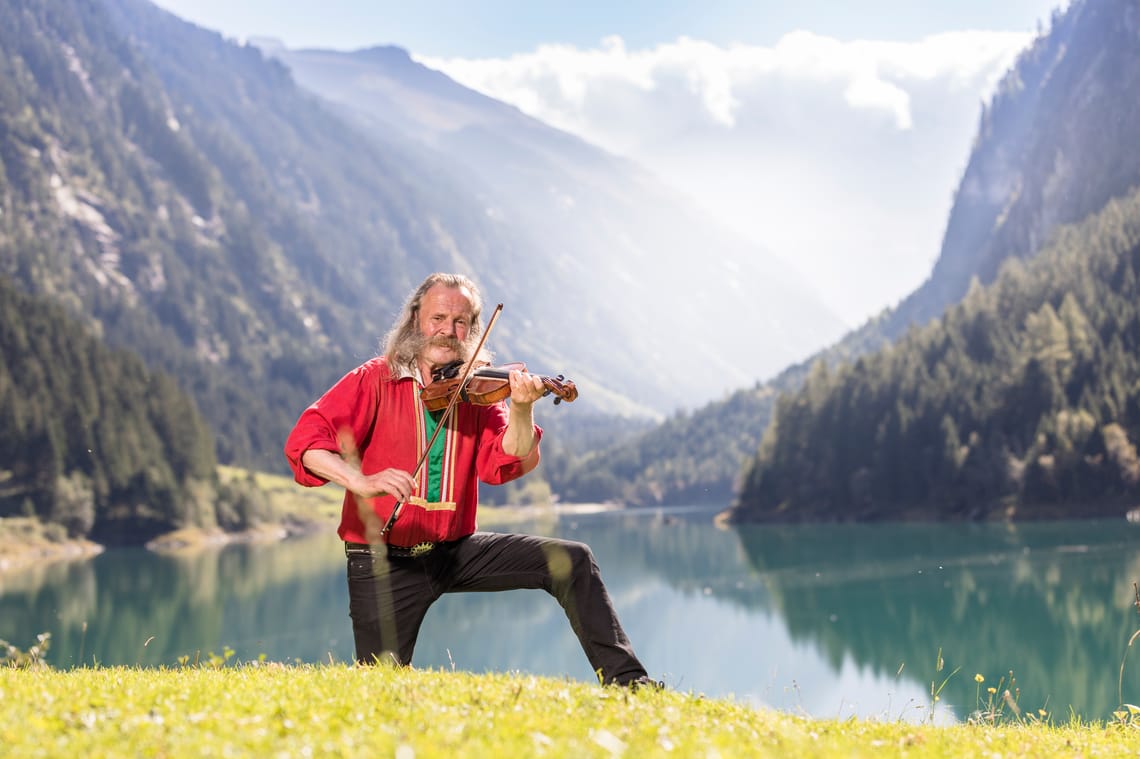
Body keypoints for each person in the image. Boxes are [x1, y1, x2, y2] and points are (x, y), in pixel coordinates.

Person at [285, 272, 655, 687]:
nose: (448, 330)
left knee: (572, 561)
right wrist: (362, 480)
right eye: (438, 317)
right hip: (382, 559)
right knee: (379, 686)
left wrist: (520, 408)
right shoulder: (375, 378)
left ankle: (629, 683)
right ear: (415, 321)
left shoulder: (476, 389)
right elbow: (307, 444)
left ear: (473, 329)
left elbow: (506, 461)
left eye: (461, 322)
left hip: (455, 551)